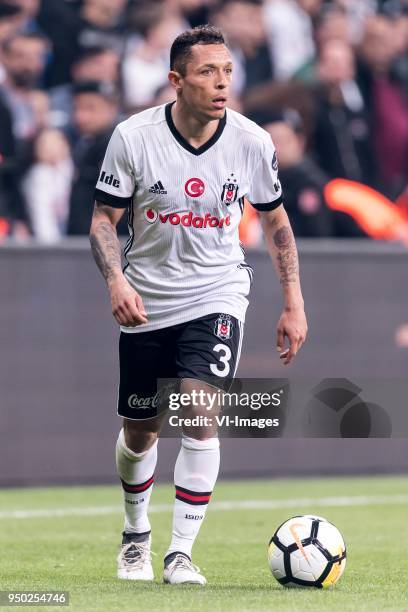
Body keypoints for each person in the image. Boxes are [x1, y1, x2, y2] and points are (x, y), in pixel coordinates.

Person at [89, 25, 307, 586]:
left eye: (228, 72)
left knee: (199, 411)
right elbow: (102, 222)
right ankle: (136, 534)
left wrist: (293, 302)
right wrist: (115, 280)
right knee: (141, 428)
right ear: (176, 80)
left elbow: (276, 223)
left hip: (218, 291)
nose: (221, 83)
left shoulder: (252, 141)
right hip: (148, 297)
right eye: (208, 72)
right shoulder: (133, 138)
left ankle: (180, 553)